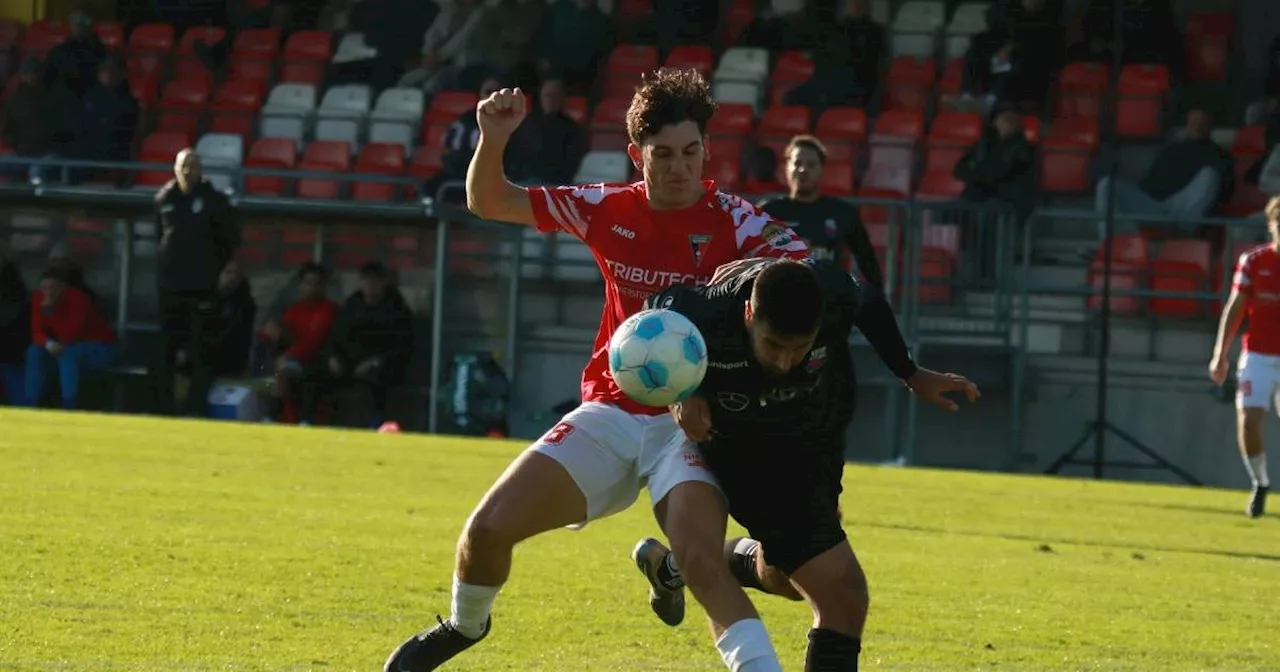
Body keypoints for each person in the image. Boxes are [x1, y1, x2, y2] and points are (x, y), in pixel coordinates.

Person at [383, 67, 812, 672]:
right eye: (662, 154)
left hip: (689, 421)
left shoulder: (738, 222)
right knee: (484, 532)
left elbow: (807, 272)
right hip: (610, 411)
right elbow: (489, 200)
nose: (679, 167)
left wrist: (727, 360)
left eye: (691, 152)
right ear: (637, 156)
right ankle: (463, 626)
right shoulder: (605, 207)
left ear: (706, 151)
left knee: (701, 560)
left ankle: (705, 593)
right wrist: (494, 137)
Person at [630, 257, 979, 670]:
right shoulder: (708, 310)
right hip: (747, 450)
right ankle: (692, 562)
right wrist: (686, 389)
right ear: (748, 315)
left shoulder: (831, 290)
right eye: (773, 345)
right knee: (843, 595)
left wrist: (911, 372)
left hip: (816, 440)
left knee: (784, 578)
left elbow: (866, 299)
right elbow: (652, 314)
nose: (783, 361)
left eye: (799, 348)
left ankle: (679, 565)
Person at [153, 149, 241, 418]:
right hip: (171, 288)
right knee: (165, 350)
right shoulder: (165, 198)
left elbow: (230, 240)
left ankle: (196, 409)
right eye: (182, 166)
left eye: (192, 167)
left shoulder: (214, 201)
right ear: (174, 168)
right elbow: (160, 235)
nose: (187, 172)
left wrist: (223, 271)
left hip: (203, 288)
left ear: (201, 170)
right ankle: (164, 409)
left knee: (200, 350)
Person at [1209, 196, 1280, 518]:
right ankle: (1260, 483)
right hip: (1258, 355)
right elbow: (1236, 307)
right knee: (1249, 421)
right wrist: (1220, 354)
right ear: (1271, 225)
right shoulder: (1254, 261)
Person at [758, 135, 883, 290]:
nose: (803, 170)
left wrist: (878, 301)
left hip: (828, 301)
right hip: (781, 300)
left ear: (822, 170)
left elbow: (867, 260)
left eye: (811, 165)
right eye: (797, 163)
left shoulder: (841, 212)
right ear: (787, 167)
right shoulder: (768, 212)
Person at [326, 260, 414, 428]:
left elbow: (402, 346)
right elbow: (336, 335)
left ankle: (377, 422)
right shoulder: (353, 304)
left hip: (383, 365)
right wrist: (333, 356)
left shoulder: (396, 309)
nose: (370, 285)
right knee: (319, 372)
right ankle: (317, 421)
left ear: (384, 283)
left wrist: (374, 361)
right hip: (350, 362)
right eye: (366, 280)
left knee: (377, 378)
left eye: (375, 281)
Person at [25, 268, 118, 408]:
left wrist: (50, 310)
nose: (48, 292)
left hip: (99, 346)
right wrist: (48, 343)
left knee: (67, 354)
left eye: (53, 288)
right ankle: (31, 403)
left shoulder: (79, 299)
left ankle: (68, 405)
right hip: (65, 344)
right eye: (44, 288)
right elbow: (36, 330)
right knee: (34, 351)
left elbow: (70, 334)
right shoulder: (39, 297)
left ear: (63, 287)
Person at [261, 262, 339, 424]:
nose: (311, 288)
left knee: (292, 371)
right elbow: (273, 336)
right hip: (295, 363)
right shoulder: (294, 310)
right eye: (307, 283)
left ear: (323, 286)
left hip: (319, 362)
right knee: (281, 372)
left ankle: (302, 420)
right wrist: (272, 333)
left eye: (316, 283)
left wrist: (289, 356)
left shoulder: (328, 310)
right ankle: (270, 418)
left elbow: (315, 342)